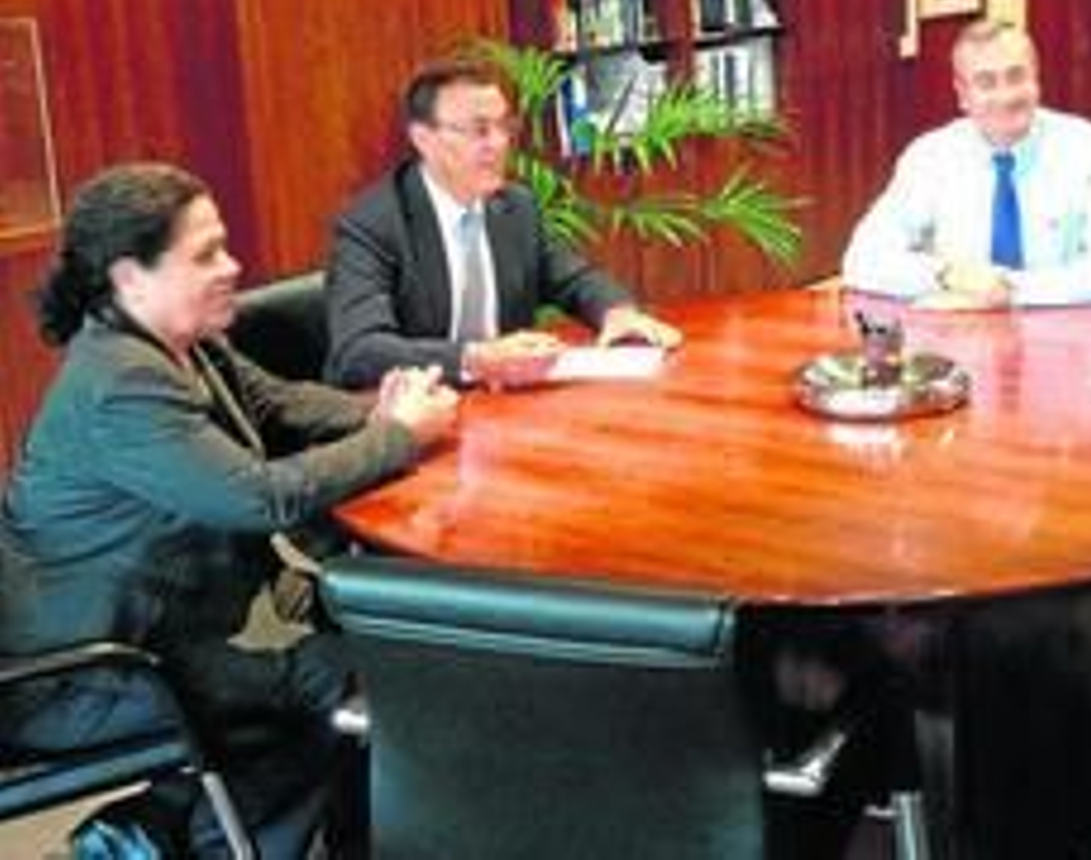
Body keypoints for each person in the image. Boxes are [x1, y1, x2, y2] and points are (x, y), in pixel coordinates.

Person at [0, 162, 459, 857]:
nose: (234, 264)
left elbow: (281, 405)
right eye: (206, 253)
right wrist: (396, 437)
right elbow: (260, 496)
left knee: (341, 672)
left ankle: (151, 833)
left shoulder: (179, 345)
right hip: (79, 675)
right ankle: (174, 838)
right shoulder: (120, 382)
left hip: (149, 640)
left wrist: (391, 411)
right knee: (330, 683)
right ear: (130, 277)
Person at [325, 56, 681, 390]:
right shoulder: (373, 225)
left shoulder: (514, 207)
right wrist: (475, 359)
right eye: (479, 131)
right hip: (409, 417)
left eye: (503, 127)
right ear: (424, 140)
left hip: (502, 406)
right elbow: (360, 350)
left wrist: (616, 312)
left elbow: (574, 278)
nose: (497, 144)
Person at [841, 19, 1091, 308]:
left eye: (1016, 76)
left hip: (1069, 338)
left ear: (1036, 77)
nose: (1006, 95)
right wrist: (947, 275)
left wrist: (1006, 291)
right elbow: (861, 261)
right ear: (962, 95)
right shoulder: (930, 157)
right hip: (962, 340)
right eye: (986, 82)